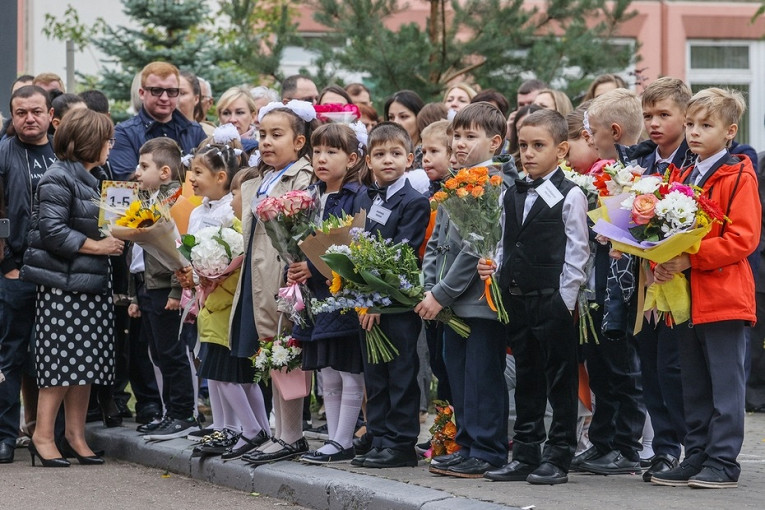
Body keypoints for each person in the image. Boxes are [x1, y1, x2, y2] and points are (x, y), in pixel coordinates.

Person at [651, 88, 760, 489]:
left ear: (730, 131)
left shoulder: (739, 174)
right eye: (692, 124)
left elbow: (743, 239)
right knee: (693, 381)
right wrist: (661, 261)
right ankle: (696, 453)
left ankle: (723, 460)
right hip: (685, 298)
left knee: (724, 382)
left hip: (724, 297)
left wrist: (690, 259)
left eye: (706, 125)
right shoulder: (681, 175)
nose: (694, 133)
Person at [479, 109, 589, 485]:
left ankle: (559, 455)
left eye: (538, 146)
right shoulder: (510, 193)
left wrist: (565, 298)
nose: (528, 153)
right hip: (516, 296)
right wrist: (495, 269)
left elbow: (578, 250)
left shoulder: (571, 195)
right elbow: (505, 242)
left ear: (561, 150)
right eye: (523, 145)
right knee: (527, 375)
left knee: (559, 378)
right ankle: (525, 451)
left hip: (551, 298)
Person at [592, 84, 691, 483]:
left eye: (664, 115)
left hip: (680, 283)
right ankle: (666, 449)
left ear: (685, 116)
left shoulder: (691, 162)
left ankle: (684, 447)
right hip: (640, 283)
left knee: (674, 369)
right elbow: (627, 215)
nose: (653, 123)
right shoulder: (638, 162)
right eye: (649, 116)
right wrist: (615, 235)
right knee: (650, 366)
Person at [21, 107, 124, 467]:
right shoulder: (57, 177)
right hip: (63, 287)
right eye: (106, 139)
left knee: (86, 365)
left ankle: (75, 436)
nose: (111, 145)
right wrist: (100, 246)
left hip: (90, 282)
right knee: (61, 365)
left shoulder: (92, 177)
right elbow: (52, 232)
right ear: (89, 143)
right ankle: (43, 435)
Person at [419, 103, 510, 478]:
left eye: (470, 137)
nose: (459, 143)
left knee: (482, 376)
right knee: (458, 375)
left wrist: (441, 292)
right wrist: (427, 287)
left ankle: (487, 449)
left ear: (495, 142)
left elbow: (476, 246)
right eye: (457, 135)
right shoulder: (459, 180)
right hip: (451, 302)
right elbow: (439, 243)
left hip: (478, 301)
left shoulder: (492, 182)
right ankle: (468, 443)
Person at [565, 103, 646, 477]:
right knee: (599, 368)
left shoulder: (638, 173)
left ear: (613, 132)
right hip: (597, 288)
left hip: (622, 290)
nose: (587, 138)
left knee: (622, 370)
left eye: (591, 131)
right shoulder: (599, 172)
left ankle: (626, 447)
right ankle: (602, 442)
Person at [238, 100, 318, 465]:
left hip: (284, 275)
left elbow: (302, 229)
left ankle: (293, 435)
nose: (266, 142)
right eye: (262, 135)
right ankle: (280, 432)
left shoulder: (302, 176)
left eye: (277, 135)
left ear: (299, 142)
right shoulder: (258, 178)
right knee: (272, 352)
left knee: (288, 352)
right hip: (256, 275)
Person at [350, 122, 430, 469]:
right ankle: (379, 436)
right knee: (375, 375)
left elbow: (403, 252)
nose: (387, 160)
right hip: (367, 304)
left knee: (400, 373)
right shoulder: (365, 197)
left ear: (409, 159)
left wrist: (377, 299)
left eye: (395, 154)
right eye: (379, 154)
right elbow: (357, 248)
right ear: (368, 160)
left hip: (395, 304)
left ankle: (400, 442)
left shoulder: (413, 201)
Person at [295, 123, 366, 464]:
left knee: (348, 367)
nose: (322, 159)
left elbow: (356, 246)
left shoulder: (357, 197)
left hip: (343, 296)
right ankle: (334, 437)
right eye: (317, 151)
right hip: (316, 297)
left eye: (332, 152)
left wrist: (318, 266)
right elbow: (297, 240)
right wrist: (295, 267)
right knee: (327, 370)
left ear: (352, 159)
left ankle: (344, 439)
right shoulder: (310, 197)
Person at [124, 138, 198, 440]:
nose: (137, 172)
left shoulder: (174, 203)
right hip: (146, 286)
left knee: (172, 352)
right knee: (157, 352)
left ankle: (183, 413)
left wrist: (175, 292)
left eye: (144, 166)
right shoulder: (144, 199)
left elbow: (177, 253)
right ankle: (169, 411)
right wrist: (133, 295)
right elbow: (137, 252)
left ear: (165, 172)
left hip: (165, 289)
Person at [0, 85, 55, 464]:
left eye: (36, 111)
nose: (29, 119)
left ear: (51, 114)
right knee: (10, 356)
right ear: (12, 116)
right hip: (16, 272)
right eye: (21, 113)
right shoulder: (3, 154)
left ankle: (51, 434)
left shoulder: (65, 155)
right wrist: (7, 266)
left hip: (59, 274)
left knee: (55, 356)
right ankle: (5, 436)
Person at [110, 62, 206, 180]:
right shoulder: (124, 134)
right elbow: (127, 183)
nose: (164, 98)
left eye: (171, 91)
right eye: (156, 90)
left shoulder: (194, 132)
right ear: (141, 93)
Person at [384, 90, 425, 168]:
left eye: (403, 116)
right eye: (391, 117)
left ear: (419, 117)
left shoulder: (426, 153)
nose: (396, 122)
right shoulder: (384, 153)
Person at [216, 86, 259, 154]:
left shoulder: (263, 148)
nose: (233, 120)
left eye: (239, 112)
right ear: (220, 117)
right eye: (226, 113)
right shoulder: (209, 147)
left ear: (252, 116)